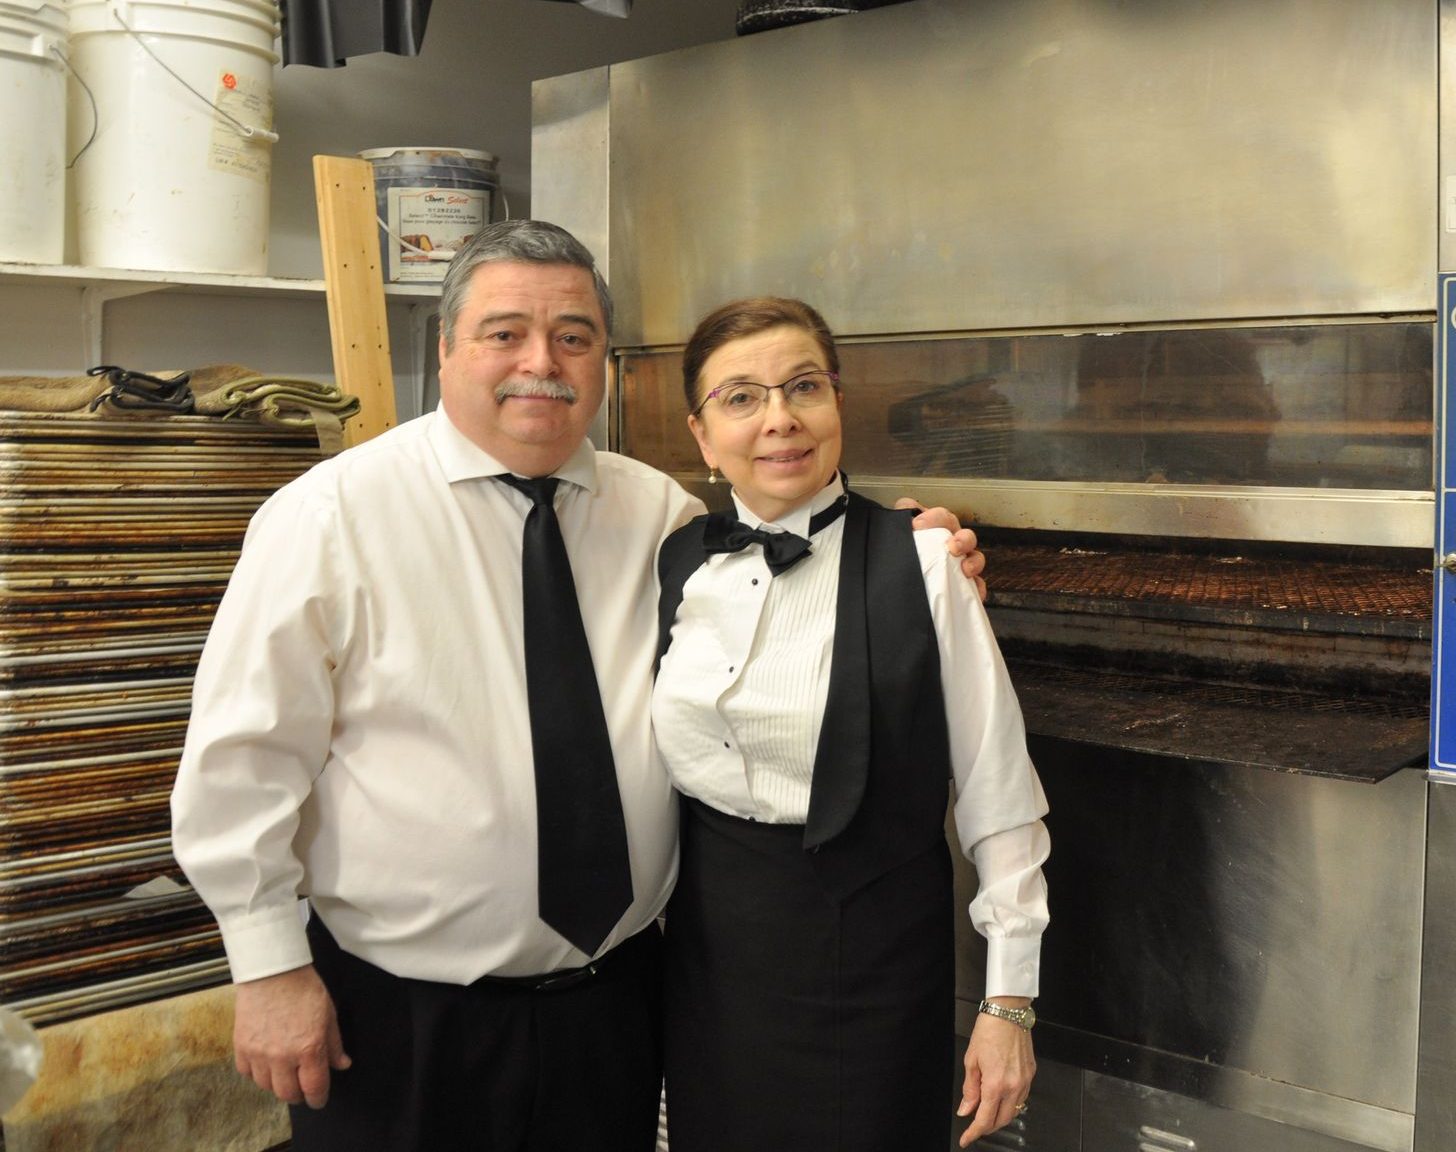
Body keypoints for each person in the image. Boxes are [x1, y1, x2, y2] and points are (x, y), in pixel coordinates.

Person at [168, 221, 983, 1152]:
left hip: (619, 1007)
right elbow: (243, 761)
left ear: (603, 357)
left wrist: (911, 556)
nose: (541, 362)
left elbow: (801, 601)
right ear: (446, 350)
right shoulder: (328, 517)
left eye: (574, 336)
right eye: (504, 332)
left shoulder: (667, 519)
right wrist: (269, 967)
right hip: (404, 1017)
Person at [652, 296, 1048, 1151]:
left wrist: (1007, 1003)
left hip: (871, 958)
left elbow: (998, 794)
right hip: (710, 958)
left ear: (838, 402)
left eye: (803, 387)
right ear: (701, 433)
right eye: (742, 397)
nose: (780, 419)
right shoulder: (679, 560)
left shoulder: (924, 563)